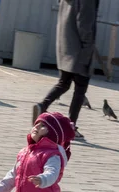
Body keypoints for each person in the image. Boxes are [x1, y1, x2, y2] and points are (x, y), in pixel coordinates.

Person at [32, 0, 100, 140]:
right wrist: (88, 47)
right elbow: (85, 23)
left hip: (66, 46)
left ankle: (42, 105)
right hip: (80, 50)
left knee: (64, 83)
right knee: (80, 89)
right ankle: (71, 127)